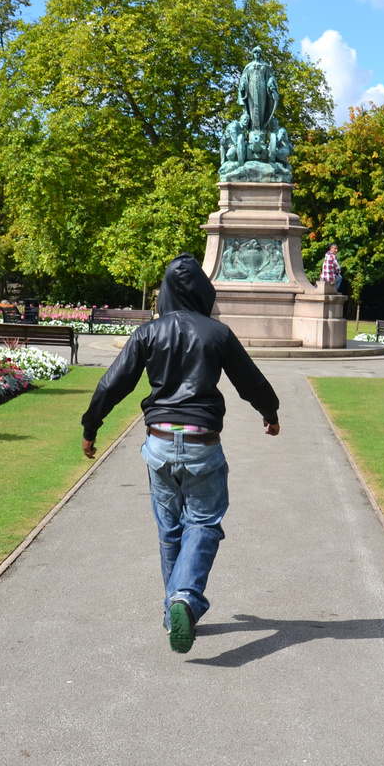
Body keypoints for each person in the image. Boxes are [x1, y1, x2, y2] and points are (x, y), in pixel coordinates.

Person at [81, 253, 281, 654]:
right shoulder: (217, 333)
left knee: (170, 529)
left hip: (158, 442)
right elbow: (249, 380)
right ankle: (184, 599)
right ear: (204, 292)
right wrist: (270, 412)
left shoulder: (148, 333)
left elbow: (113, 383)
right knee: (203, 524)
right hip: (201, 442)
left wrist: (91, 426)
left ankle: (174, 606)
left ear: (166, 292)